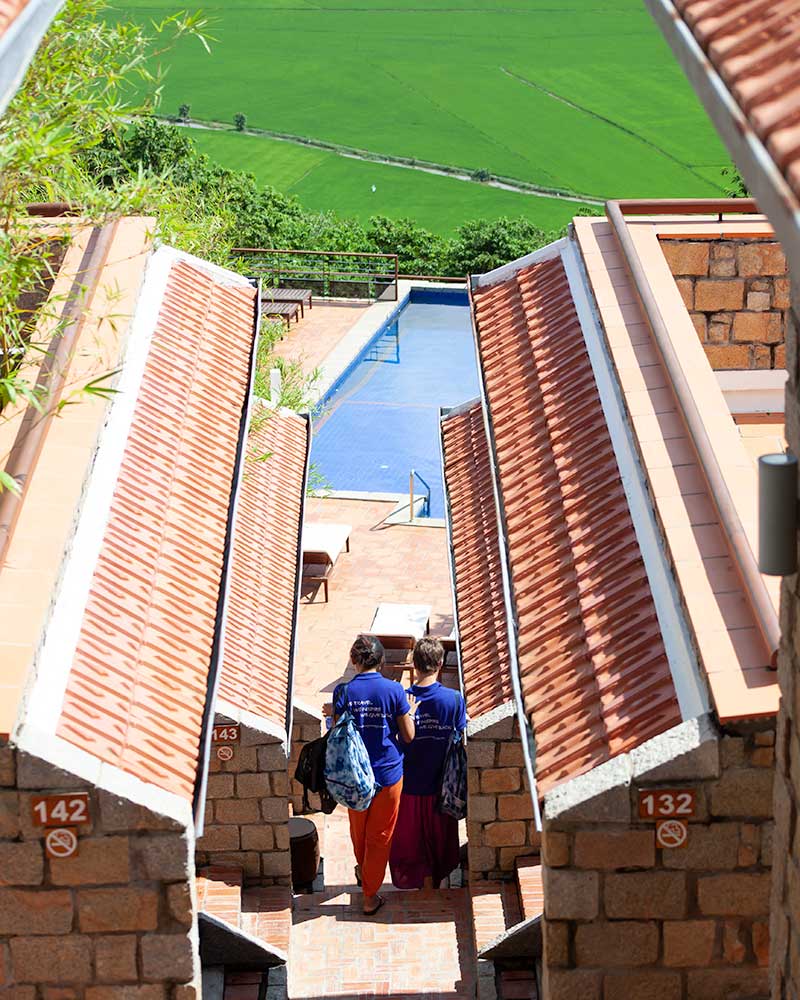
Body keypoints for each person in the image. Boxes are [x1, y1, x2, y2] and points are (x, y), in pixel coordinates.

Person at [332, 634, 417, 915]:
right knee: (380, 835)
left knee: (359, 832)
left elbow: (338, 731)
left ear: (353, 660)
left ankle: (365, 873)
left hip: (354, 776)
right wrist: (410, 713)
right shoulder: (393, 691)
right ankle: (370, 895)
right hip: (387, 773)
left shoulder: (343, 693)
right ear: (382, 661)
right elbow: (408, 735)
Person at [390, 637, 466, 890]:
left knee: (412, 845)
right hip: (442, 786)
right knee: (440, 844)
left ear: (413, 664)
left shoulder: (402, 699)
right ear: (441, 663)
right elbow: (461, 737)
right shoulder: (454, 699)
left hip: (409, 785)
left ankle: (421, 888)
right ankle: (438, 887)